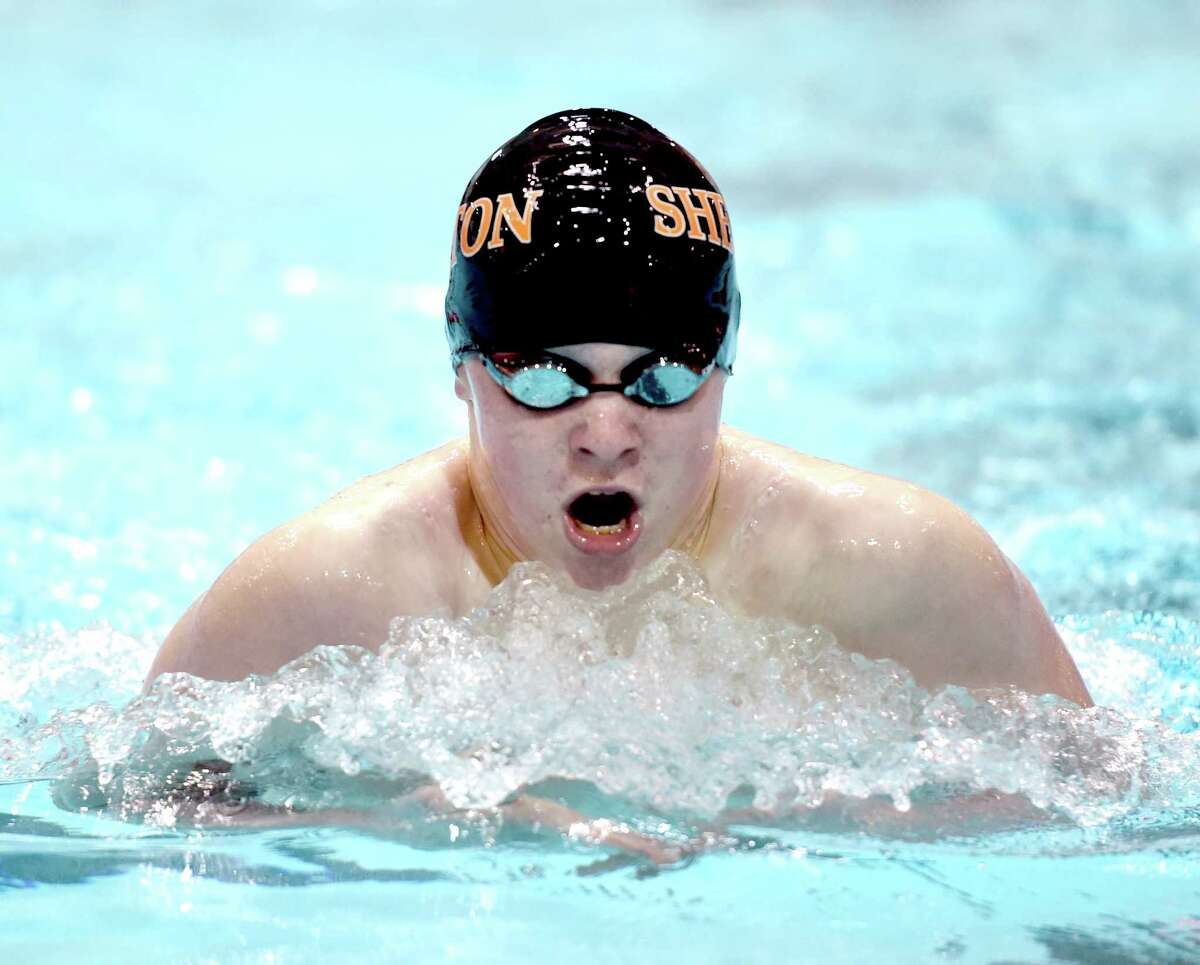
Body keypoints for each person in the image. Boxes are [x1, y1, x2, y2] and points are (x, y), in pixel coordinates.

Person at [142, 108, 1092, 856]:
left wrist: (818, 830)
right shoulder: (320, 594)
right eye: (546, 379)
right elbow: (121, 806)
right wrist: (412, 819)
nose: (607, 436)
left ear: (728, 360)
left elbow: (1113, 808)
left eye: (664, 377)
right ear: (461, 365)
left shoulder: (906, 572)